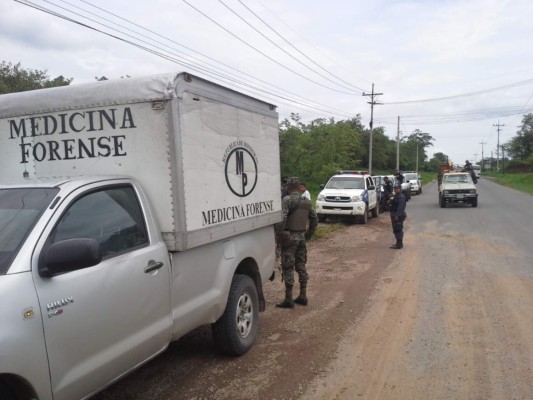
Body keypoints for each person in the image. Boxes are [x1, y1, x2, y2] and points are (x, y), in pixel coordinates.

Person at [276, 178, 318, 308]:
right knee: (301, 266)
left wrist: (279, 234)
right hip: (301, 237)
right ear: (298, 186)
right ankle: (303, 295)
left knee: (288, 266)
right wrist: (308, 235)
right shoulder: (307, 201)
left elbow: (283, 219)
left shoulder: (287, 200)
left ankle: (288, 298)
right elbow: (315, 220)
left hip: (289, 238)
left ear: (288, 187)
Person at [389, 182, 407, 249]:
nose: (395, 190)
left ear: (400, 189)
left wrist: (397, 216)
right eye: (394, 188)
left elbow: (401, 207)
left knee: (398, 229)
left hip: (398, 216)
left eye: (396, 188)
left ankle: (399, 244)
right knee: (395, 229)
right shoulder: (395, 196)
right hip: (394, 214)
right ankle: (397, 243)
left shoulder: (401, 197)